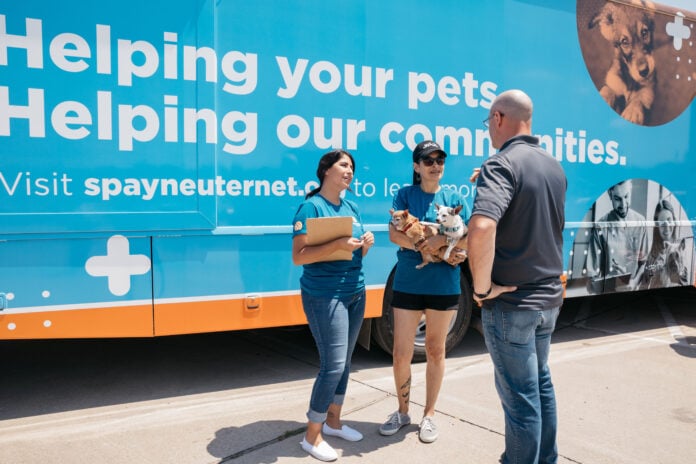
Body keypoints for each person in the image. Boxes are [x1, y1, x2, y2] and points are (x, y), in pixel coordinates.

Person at [467, 89, 567, 464]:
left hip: (511, 304)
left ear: (498, 118)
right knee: (541, 388)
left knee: (520, 401)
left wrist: (481, 288)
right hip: (547, 301)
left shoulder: (501, 163)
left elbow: (481, 228)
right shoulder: (552, 165)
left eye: (487, 123)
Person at [379, 140, 470, 444]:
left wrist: (446, 248)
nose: (435, 165)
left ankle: (428, 415)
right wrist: (425, 245)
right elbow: (394, 234)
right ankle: (403, 412)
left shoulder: (455, 197)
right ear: (416, 167)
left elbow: (468, 240)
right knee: (402, 351)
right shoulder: (405, 196)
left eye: (439, 160)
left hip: (444, 285)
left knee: (435, 350)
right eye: (427, 160)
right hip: (408, 282)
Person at [291, 149, 375, 462]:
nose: (349, 170)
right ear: (326, 170)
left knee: (345, 361)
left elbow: (353, 256)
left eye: (352, 166)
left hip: (355, 291)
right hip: (325, 295)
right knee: (333, 365)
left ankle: (334, 422)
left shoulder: (352, 206)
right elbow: (299, 256)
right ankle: (311, 436)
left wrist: (363, 246)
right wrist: (338, 244)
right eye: (343, 165)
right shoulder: (311, 207)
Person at [586, 180, 648, 292]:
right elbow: (592, 276)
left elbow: (643, 263)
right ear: (610, 195)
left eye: (626, 197)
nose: (623, 205)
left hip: (633, 290)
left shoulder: (641, 222)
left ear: (631, 192)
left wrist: (634, 282)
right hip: (608, 292)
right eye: (617, 199)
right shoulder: (600, 226)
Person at [640, 199, 689, 289]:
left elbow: (685, 286)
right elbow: (644, 286)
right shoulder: (651, 258)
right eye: (662, 223)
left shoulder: (680, 252)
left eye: (669, 220)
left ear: (674, 221)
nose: (666, 227)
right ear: (657, 227)